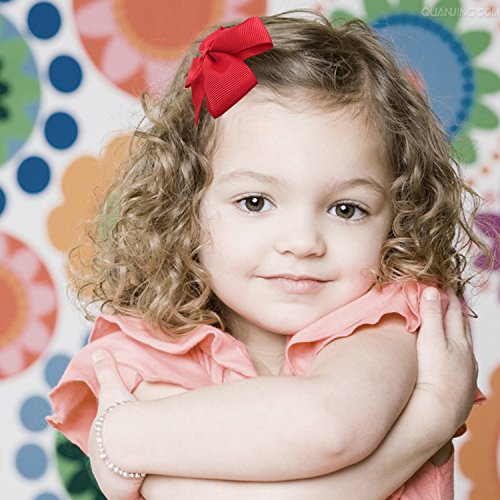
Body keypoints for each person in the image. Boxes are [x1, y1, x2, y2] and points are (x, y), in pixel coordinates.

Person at [46, 9, 491, 500]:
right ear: (185, 204)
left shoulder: (394, 318)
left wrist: (123, 436)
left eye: (346, 209)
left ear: (398, 213)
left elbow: (330, 426)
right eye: (255, 202)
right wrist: (425, 423)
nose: (302, 242)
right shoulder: (146, 351)